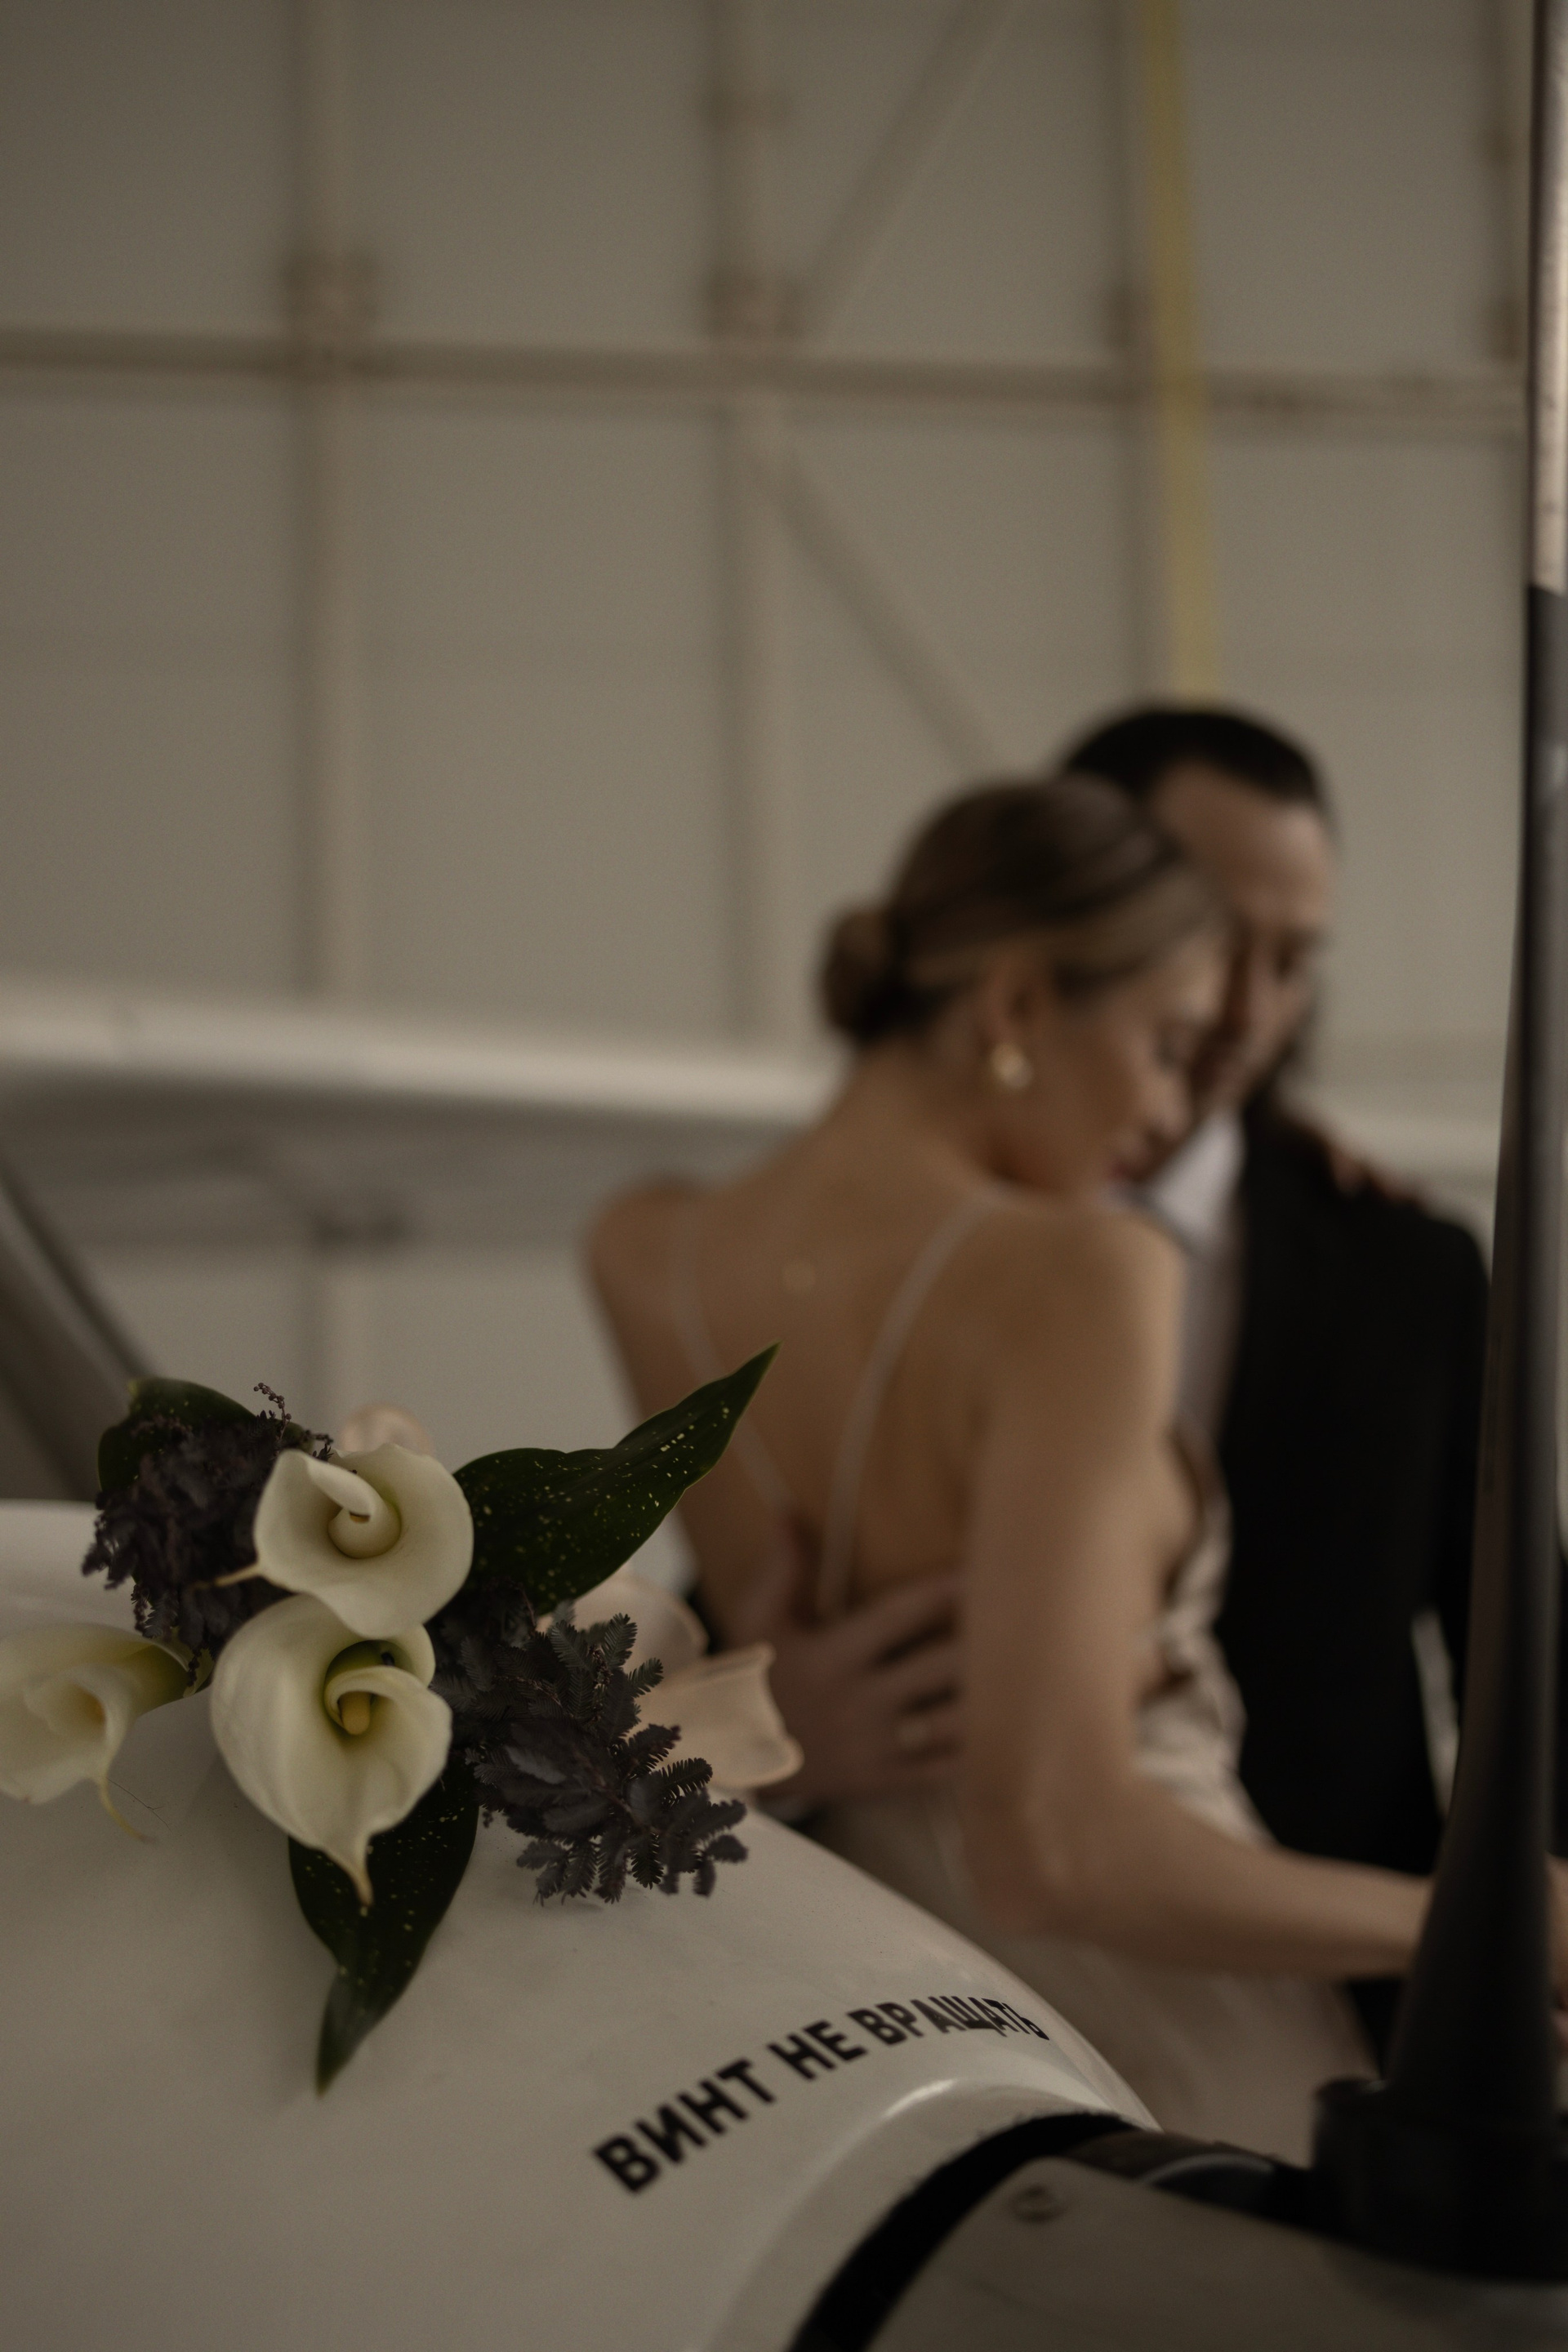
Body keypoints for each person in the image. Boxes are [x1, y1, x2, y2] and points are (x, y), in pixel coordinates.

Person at [588, 772, 1495, 2160]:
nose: (1177, 1107)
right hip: (1186, 2062)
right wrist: (1472, 1924)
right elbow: (1054, 1846)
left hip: (895, 2053)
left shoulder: (646, 1252)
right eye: (1168, 1044)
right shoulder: (1085, 1275)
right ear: (1015, 1007)